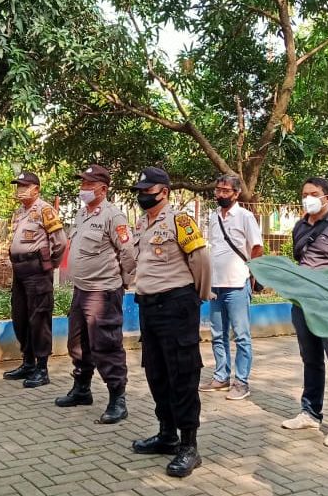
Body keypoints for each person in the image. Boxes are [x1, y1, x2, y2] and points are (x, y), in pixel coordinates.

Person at [129, 166, 212, 478]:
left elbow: (201, 260)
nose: (142, 196)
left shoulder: (180, 220)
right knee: (156, 372)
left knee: (182, 375)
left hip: (177, 306)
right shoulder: (142, 223)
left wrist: (198, 297)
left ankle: (189, 445)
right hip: (148, 308)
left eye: (147, 191)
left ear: (163, 192)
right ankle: (167, 434)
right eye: (139, 191)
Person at [55, 164, 136, 423]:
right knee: (77, 343)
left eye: (88, 185)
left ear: (103, 189)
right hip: (82, 290)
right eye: (82, 184)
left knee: (107, 345)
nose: (83, 189)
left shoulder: (114, 217)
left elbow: (128, 253)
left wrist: (122, 282)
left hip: (103, 291)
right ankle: (82, 389)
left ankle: (117, 398)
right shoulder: (81, 215)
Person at [281, 177, 328, 448]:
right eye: (304, 194)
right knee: (310, 360)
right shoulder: (300, 226)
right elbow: (301, 260)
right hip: (303, 304)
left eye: (314, 194)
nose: (307, 198)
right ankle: (310, 413)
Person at [200, 173, 263, 401]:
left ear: (236, 194)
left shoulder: (245, 217)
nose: (220, 194)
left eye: (226, 191)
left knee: (241, 335)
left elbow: (257, 247)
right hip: (215, 285)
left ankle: (242, 382)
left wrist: (253, 272)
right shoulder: (213, 216)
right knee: (218, 334)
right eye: (218, 190)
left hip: (237, 284)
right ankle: (221, 376)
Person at [3, 171, 67, 388]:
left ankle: (42, 368)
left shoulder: (45, 210)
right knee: (20, 317)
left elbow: (60, 243)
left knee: (39, 319)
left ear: (36, 189)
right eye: (18, 186)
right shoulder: (20, 212)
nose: (19, 190)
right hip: (19, 271)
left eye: (24, 186)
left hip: (37, 271)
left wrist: (49, 265)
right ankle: (28, 362)